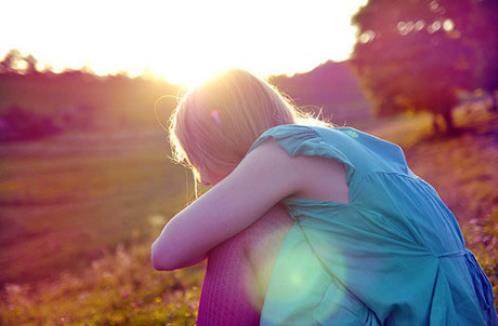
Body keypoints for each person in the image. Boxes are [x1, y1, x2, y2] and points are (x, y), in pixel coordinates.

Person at [151, 68, 498, 325]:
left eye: (198, 161)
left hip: (422, 316)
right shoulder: (338, 142)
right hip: (458, 311)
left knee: (240, 233)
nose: (204, 179)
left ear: (220, 141)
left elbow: (167, 251)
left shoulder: (284, 153)